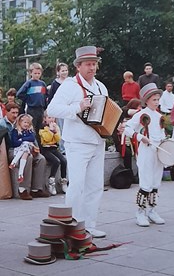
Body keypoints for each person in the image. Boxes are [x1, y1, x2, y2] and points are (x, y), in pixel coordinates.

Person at [47, 46, 108, 238]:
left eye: (94, 64)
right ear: (78, 66)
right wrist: (77, 107)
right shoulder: (70, 85)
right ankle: (71, 226)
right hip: (78, 143)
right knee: (77, 185)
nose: (92, 67)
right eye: (88, 64)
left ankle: (89, 225)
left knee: (95, 185)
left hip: (98, 141)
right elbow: (52, 110)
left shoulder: (100, 86)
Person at [124, 83, 165, 227]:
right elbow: (127, 128)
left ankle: (152, 211)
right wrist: (141, 137)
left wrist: (165, 142)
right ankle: (140, 212)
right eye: (154, 99)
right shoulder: (141, 114)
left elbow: (161, 133)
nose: (157, 102)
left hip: (158, 151)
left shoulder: (159, 116)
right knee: (146, 182)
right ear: (147, 100)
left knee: (155, 182)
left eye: (158, 99)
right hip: (146, 150)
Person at [0, 103, 49, 200]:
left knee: (41, 158)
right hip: (12, 151)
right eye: (12, 112)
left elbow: (32, 137)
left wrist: (35, 148)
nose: (15, 115)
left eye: (16, 113)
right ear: (6, 112)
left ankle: (36, 189)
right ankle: (23, 189)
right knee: (28, 157)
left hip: (27, 148)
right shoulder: (2, 124)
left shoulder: (23, 122)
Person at [17, 62, 48, 146]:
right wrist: (28, 99)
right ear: (31, 73)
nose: (37, 75)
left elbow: (45, 96)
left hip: (40, 109)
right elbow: (19, 94)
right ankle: (33, 145)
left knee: (39, 128)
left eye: (38, 73)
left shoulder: (42, 84)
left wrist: (45, 107)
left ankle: (40, 146)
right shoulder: (29, 83)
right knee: (32, 128)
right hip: (32, 108)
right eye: (35, 73)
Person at [39, 112, 67, 195]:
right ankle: (51, 181)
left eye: (53, 118)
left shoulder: (56, 127)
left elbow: (58, 139)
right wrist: (51, 131)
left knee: (63, 161)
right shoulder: (42, 128)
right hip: (45, 149)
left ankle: (63, 180)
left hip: (54, 148)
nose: (51, 120)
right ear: (45, 119)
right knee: (56, 161)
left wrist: (55, 132)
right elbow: (47, 139)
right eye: (49, 117)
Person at [116, 98, 141, 182]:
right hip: (122, 141)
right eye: (138, 107)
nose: (139, 109)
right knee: (127, 153)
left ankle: (139, 174)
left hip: (133, 140)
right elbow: (123, 110)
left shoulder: (138, 118)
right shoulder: (122, 115)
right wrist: (134, 111)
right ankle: (129, 174)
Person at [9, 114, 38, 183]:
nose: (26, 124)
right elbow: (14, 142)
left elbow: (32, 138)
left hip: (27, 149)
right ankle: (20, 174)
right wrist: (25, 141)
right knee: (25, 148)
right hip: (18, 149)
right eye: (25, 122)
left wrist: (22, 139)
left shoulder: (29, 131)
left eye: (28, 123)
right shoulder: (15, 131)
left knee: (25, 144)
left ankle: (13, 163)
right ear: (20, 122)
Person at [48, 62, 69, 154]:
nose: (64, 72)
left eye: (66, 70)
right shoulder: (55, 83)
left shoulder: (70, 82)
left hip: (69, 109)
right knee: (60, 128)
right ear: (58, 72)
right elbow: (51, 97)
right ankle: (62, 148)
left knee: (69, 128)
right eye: (62, 71)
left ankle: (69, 146)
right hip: (60, 109)